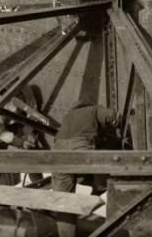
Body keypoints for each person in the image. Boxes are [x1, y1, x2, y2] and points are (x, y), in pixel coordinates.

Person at [52, 99, 121, 237]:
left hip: (58, 153)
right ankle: (99, 188)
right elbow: (115, 116)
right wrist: (116, 128)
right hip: (80, 149)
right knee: (104, 171)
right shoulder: (94, 110)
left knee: (64, 201)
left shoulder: (68, 116)